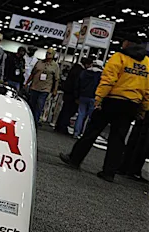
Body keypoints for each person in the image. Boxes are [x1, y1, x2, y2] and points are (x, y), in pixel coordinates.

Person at [60, 34, 149, 182]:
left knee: (92, 131)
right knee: (118, 139)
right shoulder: (146, 62)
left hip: (113, 100)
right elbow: (147, 89)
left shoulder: (119, 57)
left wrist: (99, 99)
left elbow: (108, 80)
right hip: (132, 104)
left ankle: (75, 159)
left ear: (127, 43)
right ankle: (109, 172)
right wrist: (143, 109)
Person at [26, 48, 60, 126]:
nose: (47, 54)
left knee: (39, 105)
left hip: (45, 89)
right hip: (35, 86)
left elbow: (56, 79)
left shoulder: (55, 66)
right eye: (47, 53)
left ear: (53, 55)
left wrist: (55, 90)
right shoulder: (39, 62)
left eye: (49, 53)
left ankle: (35, 121)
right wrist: (27, 83)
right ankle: (29, 119)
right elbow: (32, 74)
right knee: (32, 104)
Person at [55, 58, 90, 134]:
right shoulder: (80, 71)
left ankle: (59, 125)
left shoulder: (74, 68)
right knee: (69, 111)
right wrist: (77, 96)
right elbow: (76, 84)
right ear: (86, 64)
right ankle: (63, 127)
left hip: (68, 92)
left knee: (64, 110)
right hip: (72, 95)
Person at [73, 59, 102, 138]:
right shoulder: (101, 75)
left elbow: (78, 84)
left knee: (81, 114)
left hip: (83, 96)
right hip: (94, 97)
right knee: (90, 117)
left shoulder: (84, 72)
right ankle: (85, 134)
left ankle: (76, 132)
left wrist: (77, 95)